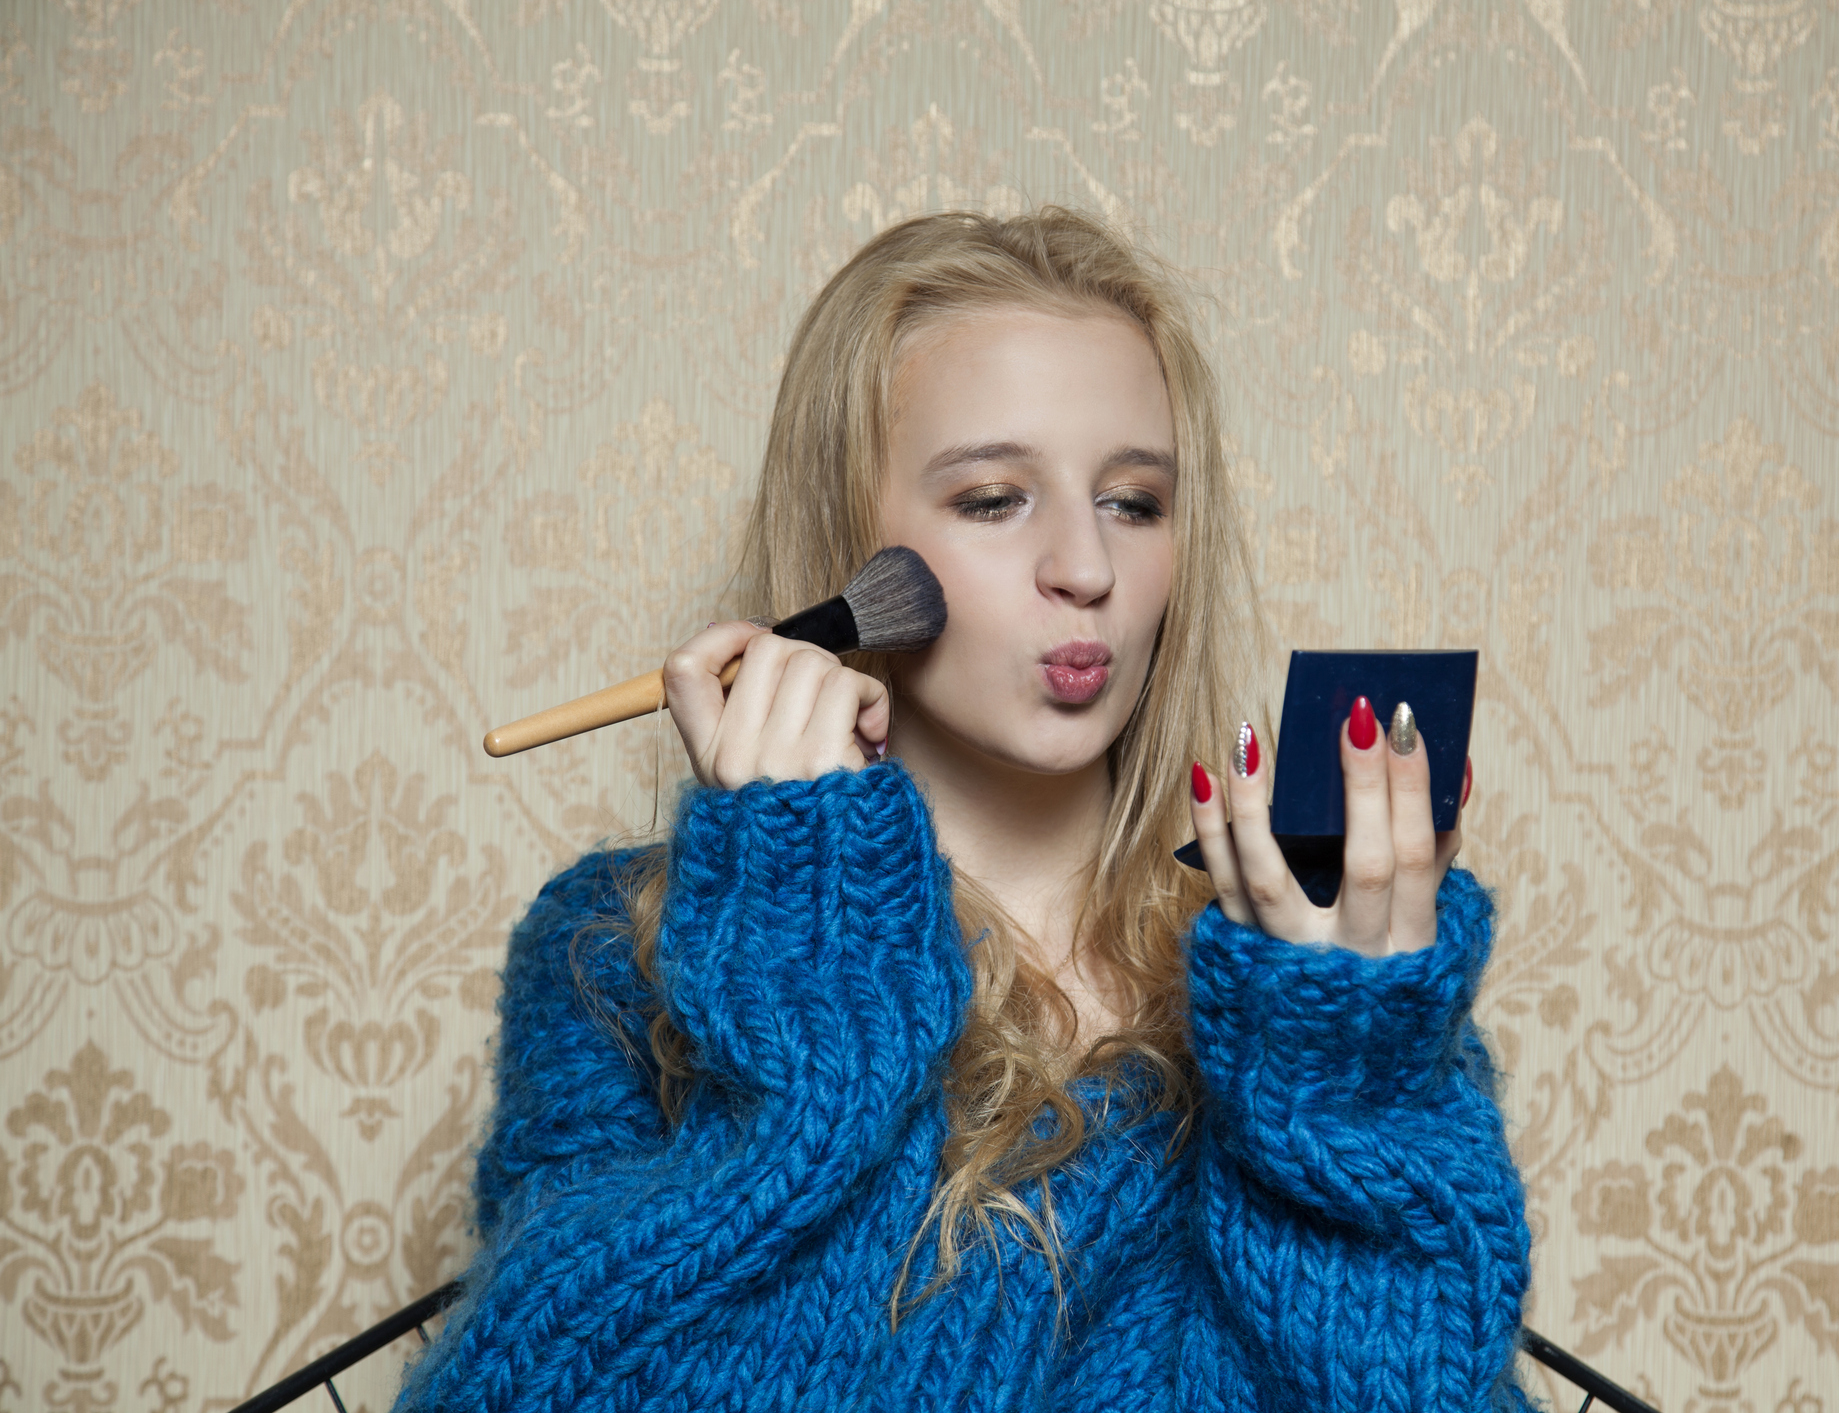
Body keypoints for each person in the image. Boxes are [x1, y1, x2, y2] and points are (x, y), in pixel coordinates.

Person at [394, 208, 1531, 1412]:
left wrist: (1342, 1088)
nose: (1085, 567)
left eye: (1136, 502)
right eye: (995, 498)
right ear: (849, 543)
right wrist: (806, 966)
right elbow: (531, 1387)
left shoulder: (1302, 966)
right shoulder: (616, 952)